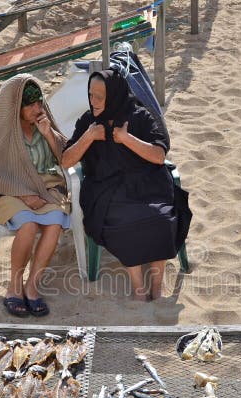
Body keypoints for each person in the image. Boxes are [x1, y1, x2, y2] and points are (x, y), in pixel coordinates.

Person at [62, 68, 191, 301]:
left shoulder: (140, 116)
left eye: (100, 96)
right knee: (126, 222)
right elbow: (66, 160)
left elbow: (159, 156)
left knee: (161, 218)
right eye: (91, 95)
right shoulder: (88, 122)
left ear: (114, 94)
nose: (94, 101)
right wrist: (88, 137)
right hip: (106, 191)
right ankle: (139, 289)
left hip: (147, 186)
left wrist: (126, 139)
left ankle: (156, 286)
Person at [0, 74, 70, 317]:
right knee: (29, 225)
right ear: (16, 107)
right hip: (9, 190)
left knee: (54, 223)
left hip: (47, 188)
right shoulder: (2, 130)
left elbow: (66, 156)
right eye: (30, 105)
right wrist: (24, 195)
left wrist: (49, 134)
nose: (37, 109)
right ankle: (14, 287)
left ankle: (32, 286)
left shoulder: (44, 123)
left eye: (39, 103)